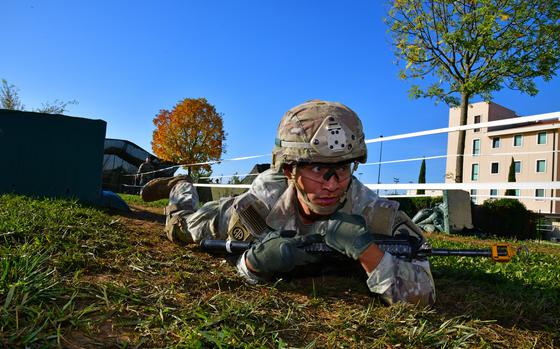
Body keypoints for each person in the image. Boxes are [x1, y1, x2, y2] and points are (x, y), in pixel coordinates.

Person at [141, 100, 436, 305]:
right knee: (181, 228)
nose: (332, 184)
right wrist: (255, 263)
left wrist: (369, 253)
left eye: (343, 169)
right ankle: (180, 186)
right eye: (318, 169)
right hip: (223, 214)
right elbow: (241, 263)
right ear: (289, 171)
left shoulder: (374, 213)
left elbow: (423, 293)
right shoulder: (261, 205)